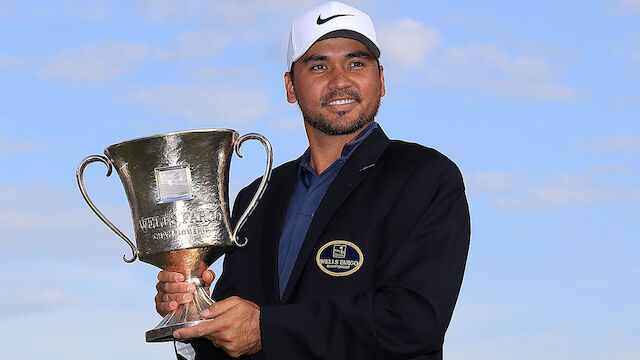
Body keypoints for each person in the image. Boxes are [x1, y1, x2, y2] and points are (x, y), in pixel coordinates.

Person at [155, 2, 470, 359]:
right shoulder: (255, 199)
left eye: (356, 62)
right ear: (291, 86)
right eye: (319, 65)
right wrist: (191, 316)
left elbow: (414, 320)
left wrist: (265, 329)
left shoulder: (424, 176)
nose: (340, 81)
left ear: (381, 80)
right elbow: (235, 345)